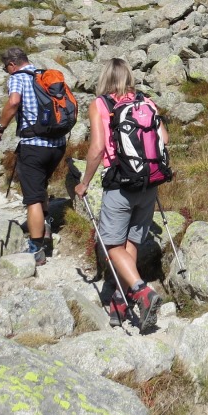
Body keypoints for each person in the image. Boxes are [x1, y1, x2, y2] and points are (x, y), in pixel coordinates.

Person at [75, 58, 165, 332]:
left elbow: (97, 148)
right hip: (149, 181)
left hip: (119, 183)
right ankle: (119, 301)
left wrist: (84, 183)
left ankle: (141, 291)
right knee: (132, 242)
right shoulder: (146, 102)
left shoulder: (100, 105)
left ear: (104, 78)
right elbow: (164, 139)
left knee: (111, 245)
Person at [0, 47, 66, 266]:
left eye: (6, 68)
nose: (7, 72)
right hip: (57, 145)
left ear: (12, 65)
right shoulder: (46, 76)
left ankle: (36, 248)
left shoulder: (18, 78)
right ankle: (46, 225)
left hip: (34, 146)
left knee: (32, 197)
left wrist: (0, 129)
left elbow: (14, 102)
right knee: (40, 185)